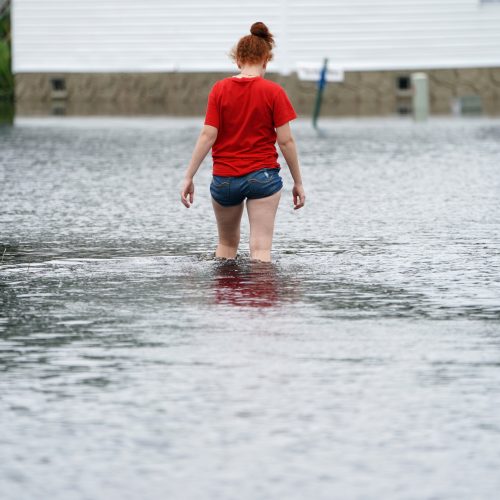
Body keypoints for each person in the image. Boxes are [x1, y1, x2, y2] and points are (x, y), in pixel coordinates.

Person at [180, 21, 305, 262]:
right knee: (260, 250)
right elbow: (286, 141)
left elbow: (208, 135)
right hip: (263, 178)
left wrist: (189, 176)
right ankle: (259, 297)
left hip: (225, 179)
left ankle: (227, 297)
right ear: (266, 61)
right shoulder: (274, 92)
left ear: (238, 60)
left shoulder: (220, 89)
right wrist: (298, 182)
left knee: (226, 246)